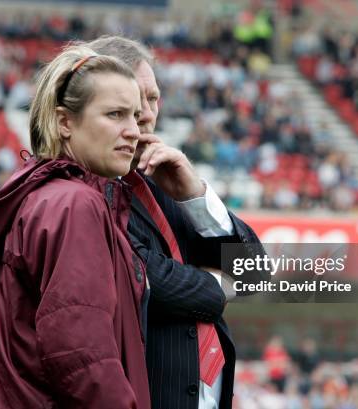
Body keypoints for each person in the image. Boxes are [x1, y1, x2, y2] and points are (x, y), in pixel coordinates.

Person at [0, 45, 151, 409]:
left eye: (135, 117)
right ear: (65, 122)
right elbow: (82, 355)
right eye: (115, 114)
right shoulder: (73, 204)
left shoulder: (54, 197)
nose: (133, 131)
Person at [88, 36, 263, 409]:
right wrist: (222, 283)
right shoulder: (83, 191)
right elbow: (150, 282)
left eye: (152, 99)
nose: (147, 113)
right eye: (134, 102)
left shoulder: (166, 180)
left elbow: (254, 272)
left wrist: (195, 194)